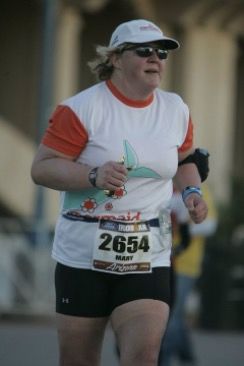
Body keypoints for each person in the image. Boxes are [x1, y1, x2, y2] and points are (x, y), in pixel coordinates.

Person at [31, 19, 208, 366]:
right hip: (83, 257)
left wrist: (191, 191)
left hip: (147, 256)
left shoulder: (175, 109)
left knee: (143, 356)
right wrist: (92, 174)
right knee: (78, 360)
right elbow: (42, 167)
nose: (155, 58)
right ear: (115, 58)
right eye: (144, 51)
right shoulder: (82, 109)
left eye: (161, 52)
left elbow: (187, 158)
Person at [159, 185, 217, 366]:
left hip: (185, 264)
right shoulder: (161, 184)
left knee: (172, 315)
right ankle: (187, 354)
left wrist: (180, 226)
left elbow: (210, 225)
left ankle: (164, 360)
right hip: (158, 261)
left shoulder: (199, 189)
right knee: (170, 313)